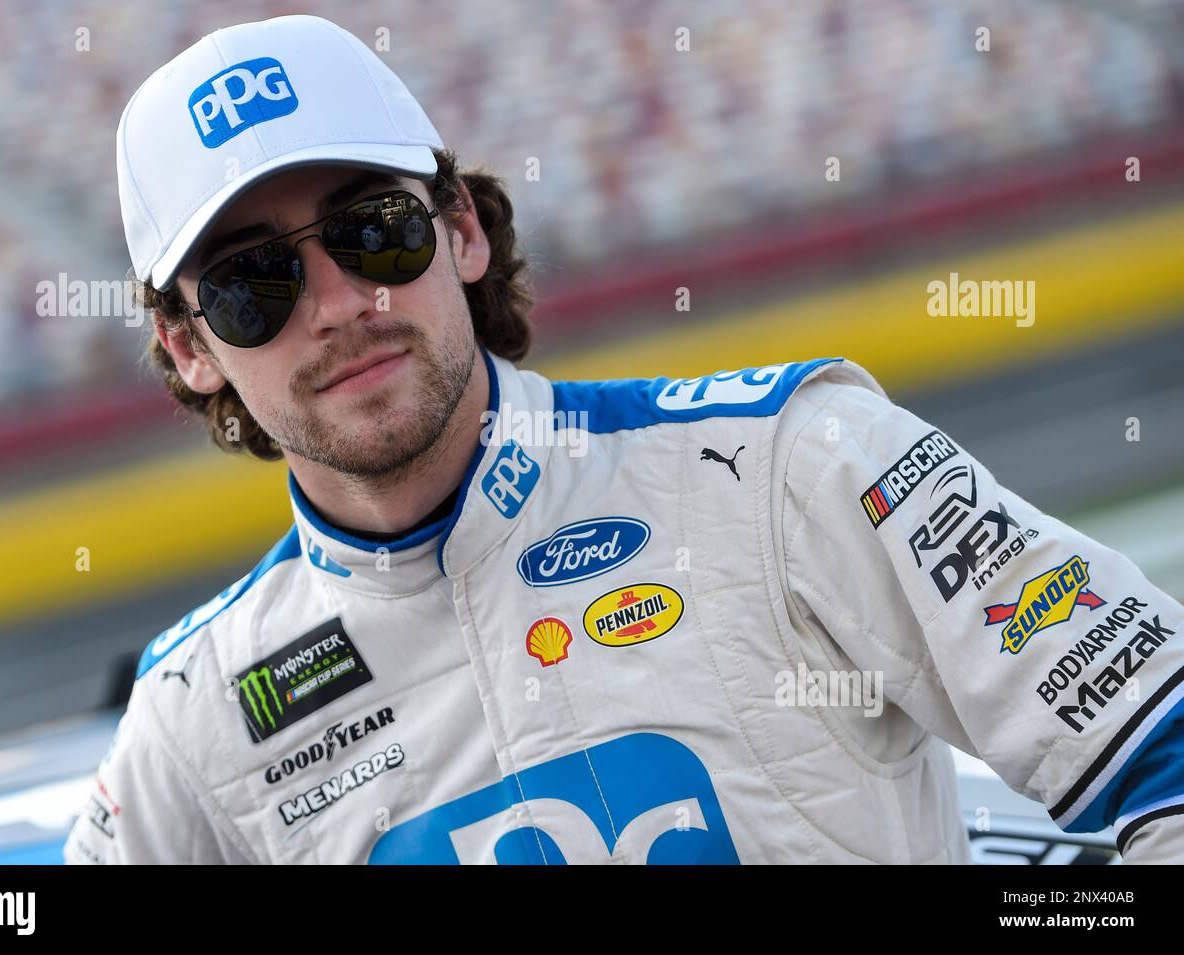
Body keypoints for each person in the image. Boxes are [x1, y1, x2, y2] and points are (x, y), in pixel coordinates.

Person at [65, 14, 1184, 864]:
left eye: (375, 229)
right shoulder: (194, 723)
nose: (339, 303)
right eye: (253, 283)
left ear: (461, 230)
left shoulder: (792, 465)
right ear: (191, 346)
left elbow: (1162, 744)